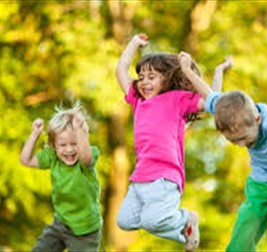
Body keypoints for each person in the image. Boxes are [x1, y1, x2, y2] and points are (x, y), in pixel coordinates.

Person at [178, 52, 267, 251]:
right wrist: (189, 69)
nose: (239, 145)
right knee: (248, 222)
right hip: (263, 180)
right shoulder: (229, 112)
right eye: (233, 141)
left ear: (257, 120)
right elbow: (209, 94)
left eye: (243, 139)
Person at [115, 33, 213, 251]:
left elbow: (211, 100)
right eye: (141, 77)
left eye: (152, 77)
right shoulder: (137, 101)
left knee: (151, 221)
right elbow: (121, 70)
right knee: (125, 222)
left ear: (166, 79)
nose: (144, 82)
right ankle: (183, 230)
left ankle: (186, 217)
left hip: (164, 177)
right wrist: (133, 43)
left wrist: (188, 70)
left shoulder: (177, 99)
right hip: (140, 177)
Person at [20, 101, 102, 252]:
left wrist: (80, 131)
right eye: (63, 145)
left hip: (86, 230)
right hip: (61, 223)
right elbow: (25, 160)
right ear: (53, 146)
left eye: (74, 143)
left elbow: (85, 158)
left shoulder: (87, 156)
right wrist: (35, 135)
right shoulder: (52, 157)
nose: (69, 150)